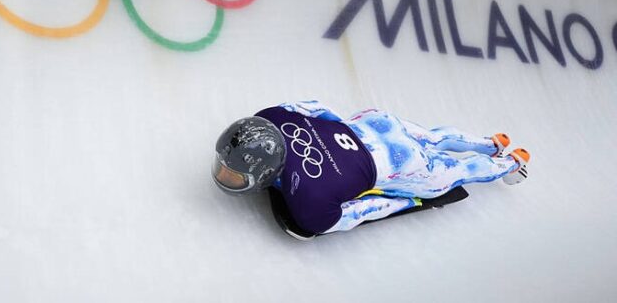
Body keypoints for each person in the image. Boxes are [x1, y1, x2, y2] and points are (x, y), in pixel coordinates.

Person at [212, 100, 530, 235]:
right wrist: (345, 126)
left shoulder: (310, 207)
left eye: (233, 173)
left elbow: (364, 211)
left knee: (460, 173)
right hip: (373, 122)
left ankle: (511, 163)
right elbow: (317, 107)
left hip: (401, 165)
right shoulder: (270, 115)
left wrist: (403, 202)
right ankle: (490, 143)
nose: (225, 174)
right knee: (433, 136)